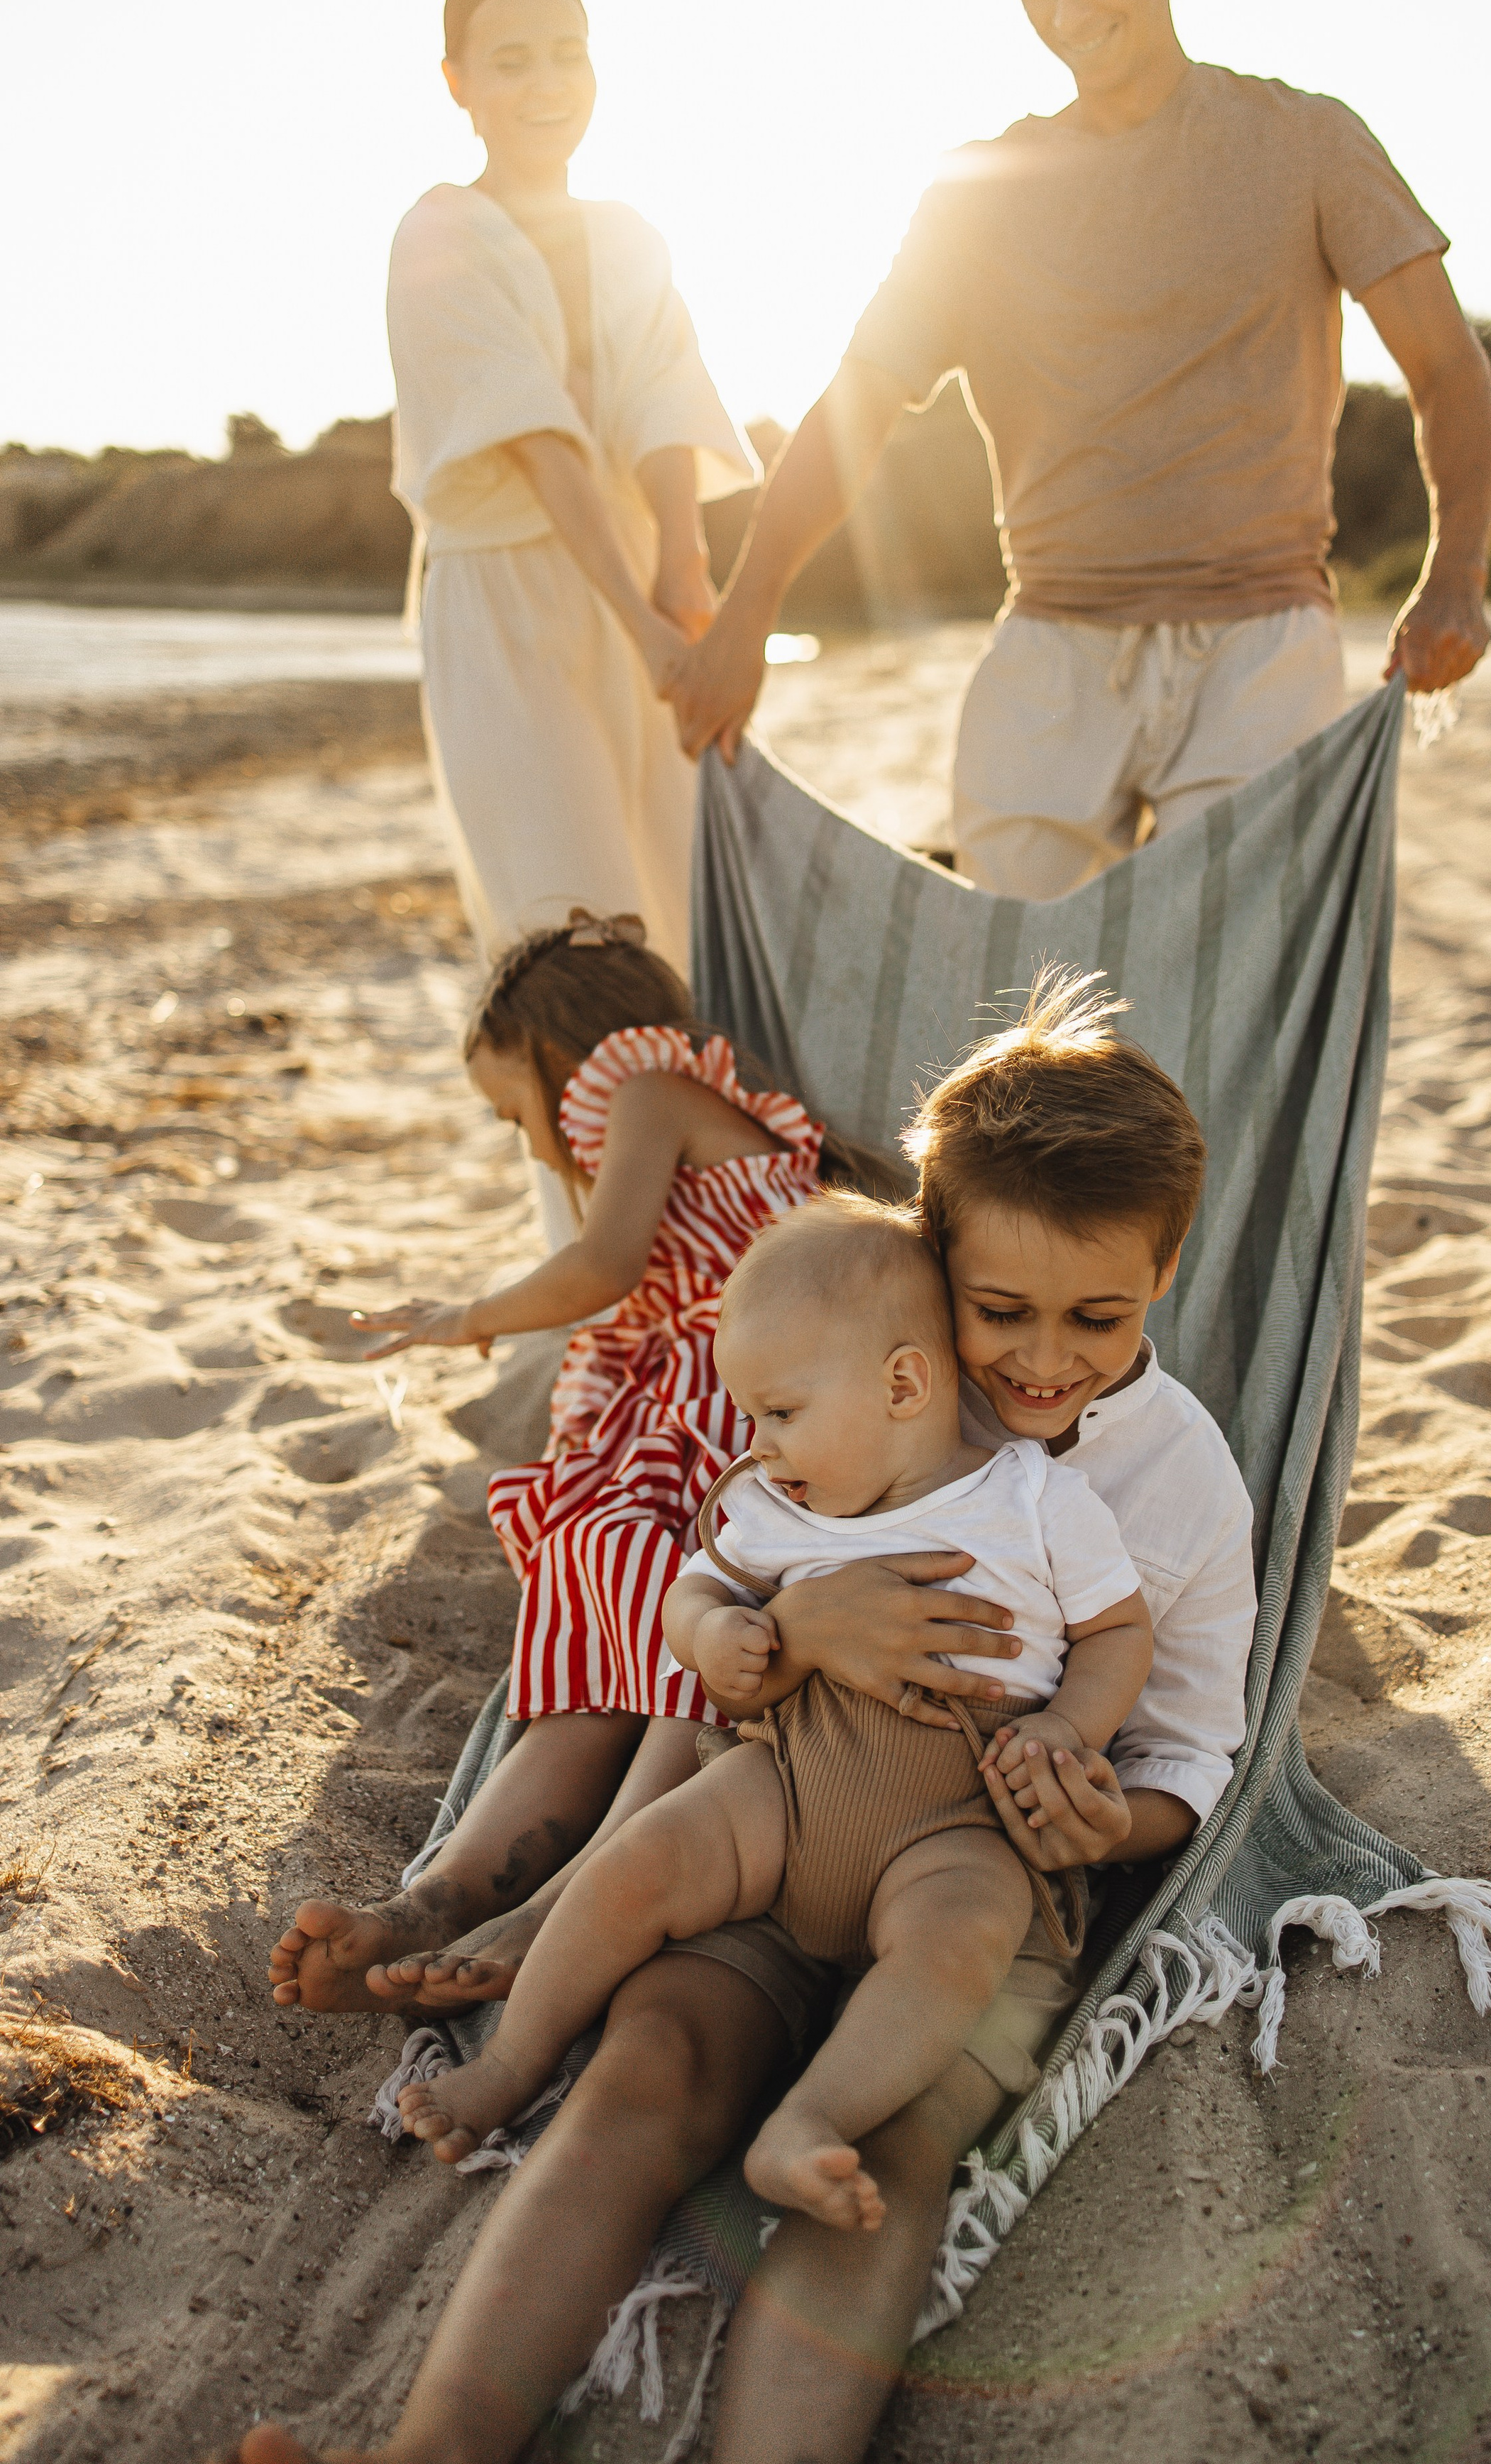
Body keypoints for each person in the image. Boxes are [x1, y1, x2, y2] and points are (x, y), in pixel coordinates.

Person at [238, 972, 1255, 2464]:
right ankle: (434, 2447)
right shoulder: (871, 1373)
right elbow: (719, 1583)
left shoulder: (1180, 1485)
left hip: (973, 1871)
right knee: (644, 2068)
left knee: (886, 2153)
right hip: (780, 1836)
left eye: (1094, 1316)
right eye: (999, 1311)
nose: (1039, 1359)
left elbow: (1187, 1748)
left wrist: (1116, 1808)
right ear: (933, 1259)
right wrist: (782, 1635)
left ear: (1163, 1272)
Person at [669, 0, 1491, 898]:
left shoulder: (1307, 145)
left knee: (1233, 990)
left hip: (1261, 640)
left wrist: (1455, 574)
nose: (1066, 4)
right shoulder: (981, 195)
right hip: (1051, 643)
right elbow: (854, 412)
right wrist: (745, 616)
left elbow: (1447, 371)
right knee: (1019, 1012)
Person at [392, 1193, 1152, 2224]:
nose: (759, 1443)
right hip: (785, 1783)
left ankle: (813, 2118)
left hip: (959, 1814)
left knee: (964, 1938)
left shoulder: (1032, 1499)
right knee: (642, 1862)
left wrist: (1069, 1728)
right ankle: (511, 2063)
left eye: (781, 1413)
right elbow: (693, 1591)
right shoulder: (772, 1507)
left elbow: (1117, 1633)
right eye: (751, 1416)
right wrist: (713, 1633)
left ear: (901, 1383)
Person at [266, 913, 859, 2019]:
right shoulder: (695, 1108)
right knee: (600, 1626)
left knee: (657, 1580)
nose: (538, 1150)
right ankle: (440, 1898)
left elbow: (603, 1260)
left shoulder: (648, 1090)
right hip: (707, 1411)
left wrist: (464, 1317)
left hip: (750, 1419)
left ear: (564, 1059)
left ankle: (570, 1898)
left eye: (516, 1114)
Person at [387, 0, 759, 1240]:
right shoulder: (439, 231)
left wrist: (686, 562)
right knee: (569, 937)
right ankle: (591, 1279)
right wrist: (642, 611)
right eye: (512, 57)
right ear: (458, 81)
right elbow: (539, 445)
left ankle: (703, 1248)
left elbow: (662, 402)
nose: (547, 80)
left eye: (568, 49)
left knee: (674, 905)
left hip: (633, 603)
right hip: (506, 604)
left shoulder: (629, 234)